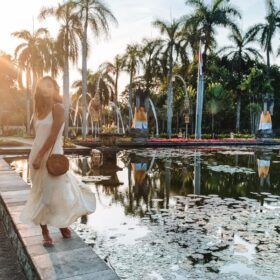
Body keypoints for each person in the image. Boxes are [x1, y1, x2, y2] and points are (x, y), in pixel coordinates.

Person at [20, 76, 96, 247]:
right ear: (38, 91)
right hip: (36, 156)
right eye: (42, 87)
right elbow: (37, 136)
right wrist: (36, 156)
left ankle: (62, 225)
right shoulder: (37, 111)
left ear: (54, 88)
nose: (45, 89)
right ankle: (45, 231)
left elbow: (54, 135)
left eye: (49, 85)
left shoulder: (58, 108)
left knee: (58, 193)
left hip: (52, 157)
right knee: (40, 194)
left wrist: (40, 155)